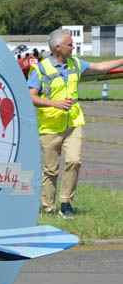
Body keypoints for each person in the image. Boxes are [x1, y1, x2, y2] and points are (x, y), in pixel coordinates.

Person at [28, 28, 123, 217]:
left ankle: (66, 204)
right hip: (50, 126)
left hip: (73, 123)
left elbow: (101, 67)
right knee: (50, 170)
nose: (74, 47)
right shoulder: (40, 69)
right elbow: (31, 96)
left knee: (74, 161)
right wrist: (55, 103)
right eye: (70, 44)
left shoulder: (75, 64)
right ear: (58, 47)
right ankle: (48, 208)